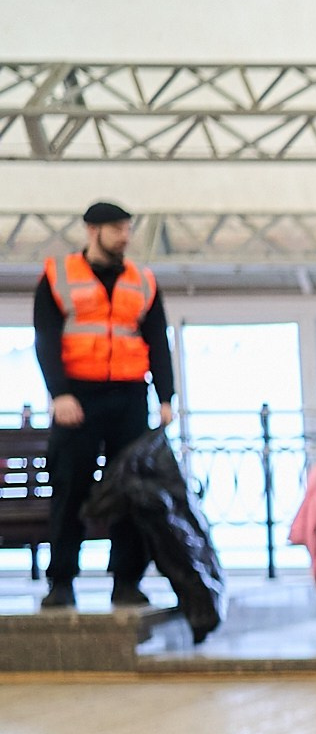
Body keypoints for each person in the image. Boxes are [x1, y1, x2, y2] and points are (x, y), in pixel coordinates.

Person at [34, 201, 175, 610]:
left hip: (131, 397)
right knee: (70, 489)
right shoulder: (59, 276)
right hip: (77, 397)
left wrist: (165, 397)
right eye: (117, 229)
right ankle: (61, 582)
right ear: (92, 231)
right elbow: (45, 336)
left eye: (127, 228)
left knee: (132, 490)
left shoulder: (142, 280)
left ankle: (127, 582)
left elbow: (157, 340)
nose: (125, 236)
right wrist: (59, 394)